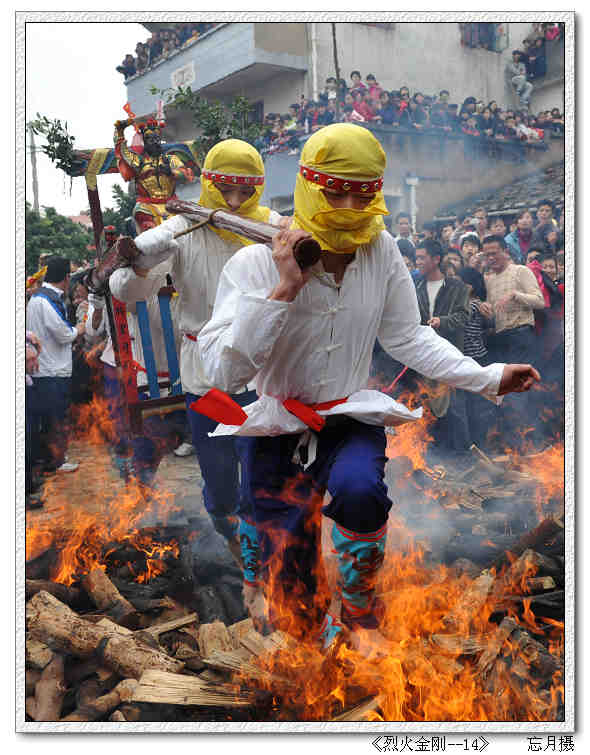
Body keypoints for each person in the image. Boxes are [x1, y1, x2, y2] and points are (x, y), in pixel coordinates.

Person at [194, 124, 540, 655]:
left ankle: (360, 617)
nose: (351, 205)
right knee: (291, 577)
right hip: (274, 423)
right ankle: (304, 623)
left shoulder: (380, 252)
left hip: (348, 414)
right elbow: (224, 372)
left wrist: (489, 376)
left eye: (363, 192)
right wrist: (284, 287)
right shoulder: (252, 262)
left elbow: (408, 336)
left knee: (361, 491)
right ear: (311, 186)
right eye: (336, 191)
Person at [109, 139, 283, 596]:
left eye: (245, 191)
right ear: (208, 184)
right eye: (225, 189)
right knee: (221, 481)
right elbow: (126, 292)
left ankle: (264, 571)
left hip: (265, 369)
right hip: (205, 371)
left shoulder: (275, 228)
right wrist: (142, 259)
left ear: (259, 188)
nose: (233, 202)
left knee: (262, 470)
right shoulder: (180, 229)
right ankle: (231, 537)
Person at [26, 256, 86, 475]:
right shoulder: (45, 300)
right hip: (52, 369)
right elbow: (61, 334)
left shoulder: (39, 298)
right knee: (56, 417)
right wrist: (78, 329)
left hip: (45, 367)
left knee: (51, 417)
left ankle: (52, 457)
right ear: (67, 278)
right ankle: (56, 460)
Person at [483, 234, 544, 448]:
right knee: (505, 392)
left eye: (494, 253)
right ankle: (514, 445)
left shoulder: (520, 271)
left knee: (521, 390)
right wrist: (485, 311)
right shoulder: (489, 280)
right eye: (487, 254)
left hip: (521, 335)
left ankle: (532, 444)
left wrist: (516, 295)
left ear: (505, 251)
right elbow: (494, 315)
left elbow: (540, 301)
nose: (490, 258)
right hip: (501, 339)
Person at [415, 240, 471, 457]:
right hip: (424, 357)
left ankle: (462, 455)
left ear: (436, 259)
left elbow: (464, 317)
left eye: (422, 257)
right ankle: (434, 457)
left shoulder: (456, 287)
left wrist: (442, 321)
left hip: (450, 356)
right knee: (427, 406)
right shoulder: (416, 287)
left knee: (455, 407)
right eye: (417, 257)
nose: (418, 262)